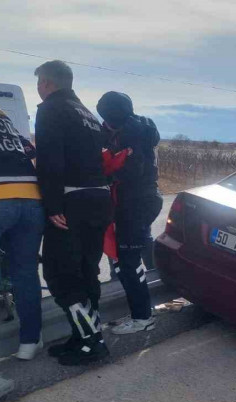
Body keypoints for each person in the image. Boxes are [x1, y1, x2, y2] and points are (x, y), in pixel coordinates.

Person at [34, 60, 113, 365]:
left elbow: (50, 158)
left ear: (47, 83)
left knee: (60, 275)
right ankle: (81, 338)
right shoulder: (87, 114)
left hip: (71, 199)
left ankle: (93, 341)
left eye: (40, 82)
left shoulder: (51, 108)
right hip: (99, 199)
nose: (39, 88)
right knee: (85, 271)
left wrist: (52, 204)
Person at [97, 91, 163, 335]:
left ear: (113, 119)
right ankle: (141, 311)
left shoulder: (131, 136)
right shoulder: (139, 128)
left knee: (128, 262)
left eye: (105, 119)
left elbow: (132, 173)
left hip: (136, 204)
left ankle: (142, 317)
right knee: (129, 258)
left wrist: (108, 174)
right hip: (142, 201)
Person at [0, 103, 46, 360]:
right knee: (25, 272)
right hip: (31, 198)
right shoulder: (0, 113)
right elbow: (29, 147)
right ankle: (30, 341)